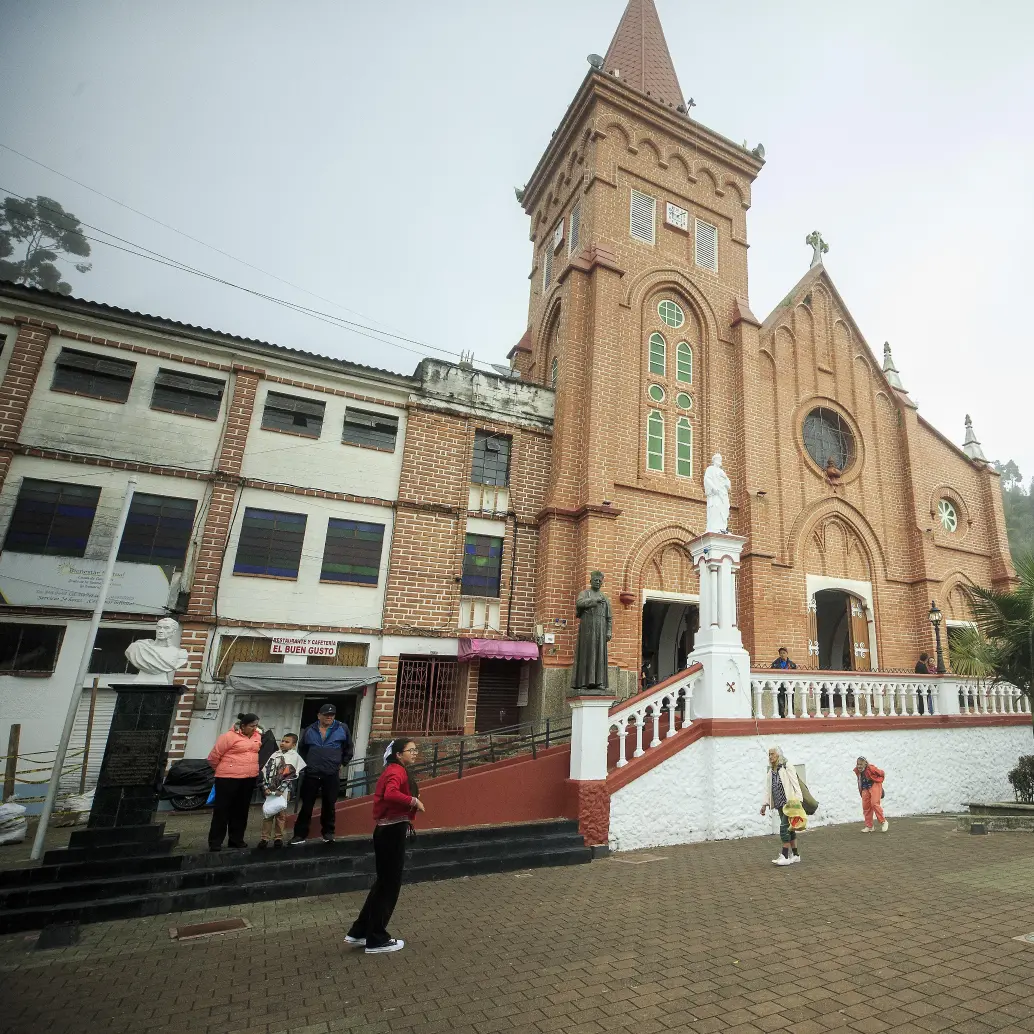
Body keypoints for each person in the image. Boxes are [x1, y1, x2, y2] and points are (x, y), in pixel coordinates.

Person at [345, 739, 425, 954]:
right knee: (389, 885)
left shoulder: (394, 769)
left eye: (415, 750)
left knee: (383, 883)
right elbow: (391, 793)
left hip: (389, 829)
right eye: (410, 750)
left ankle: (360, 931)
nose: (415, 753)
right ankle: (376, 938)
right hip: (391, 831)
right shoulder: (396, 771)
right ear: (398, 754)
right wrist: (413, 801)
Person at [290, 703, 353, 845]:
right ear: (319, 715)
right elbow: (302, 749)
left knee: (329, 804)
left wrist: (342, 763)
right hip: (312, 773)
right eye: (326, 715)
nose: (329, 717)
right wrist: (306, 765)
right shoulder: (309, 729)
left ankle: (328, 833)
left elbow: (349, 748)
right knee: (307, 805)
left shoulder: (342, 728)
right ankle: (300, 835)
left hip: (331, 773)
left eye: (332, 715)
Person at [207, 712, 262, 851]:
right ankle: (215, 842)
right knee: (222, 810)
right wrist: (225, 769)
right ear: (243, 726)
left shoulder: (257, 736)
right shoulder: (228, 736)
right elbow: (214, 757)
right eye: (251, 726)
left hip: (248, 778)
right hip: (228, 778)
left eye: (256, 726)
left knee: (241, 811)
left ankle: (236, 840)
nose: (254, 728)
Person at [257, 733, 305, 849]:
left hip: (283, 791)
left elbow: (291, 775)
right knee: (268, 814)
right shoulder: (275, 755)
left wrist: (280, 789)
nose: (283, 743)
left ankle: (278, 837)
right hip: (270, 789)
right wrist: (265, 787)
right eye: (282, 741)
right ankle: (264, 838)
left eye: (287, 742)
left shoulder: (294, 757)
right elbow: (266, 771)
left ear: (293, 745)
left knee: (281, 815)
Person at [760, 746, 804, 866]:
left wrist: (799, 801)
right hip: (779, 804)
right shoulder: (771, 771)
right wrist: (764, 805)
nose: (770, 757)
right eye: (769, 754)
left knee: (784, 828)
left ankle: (785, 856)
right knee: (790, 829)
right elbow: (768, 790)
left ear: (778, 755)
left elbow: (795, 783)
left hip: (789, 803)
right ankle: (796, 855)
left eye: (772, 754)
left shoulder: (786, 766)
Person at [854, 756, 888, 833]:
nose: (859, 766)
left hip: (874, 785)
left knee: (874, 803)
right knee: (866, 806)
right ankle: (869, 826)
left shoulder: (871, 768)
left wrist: (879, 782)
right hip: (865, 788)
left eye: (861, 764)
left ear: (865, 764)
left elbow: (882, 773)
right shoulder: (857, 770)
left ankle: (883, 821)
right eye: (858, 764)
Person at [770, 647, 797, 718]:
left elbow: (795, 675)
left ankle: (791, 713)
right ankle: (782, 715)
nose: (782, 654)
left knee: (790, 700)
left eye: (784, 653)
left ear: (787, 654)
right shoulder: (775, 664)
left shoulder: (792, 664)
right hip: (780, 685)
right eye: (781, 653)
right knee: (781, 701)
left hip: (790, 685)